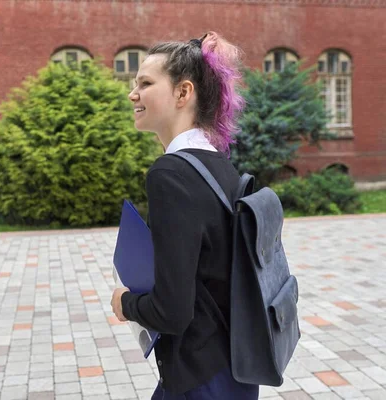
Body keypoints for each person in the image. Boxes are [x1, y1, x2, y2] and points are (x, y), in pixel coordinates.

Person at [110, 32, 259, 400]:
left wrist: (125, 303)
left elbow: (172, 311)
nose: (133, 94)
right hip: (234, 367)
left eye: (145, 83)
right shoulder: (219, 165)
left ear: (182, 93)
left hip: (199, 378)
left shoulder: (171, 174)